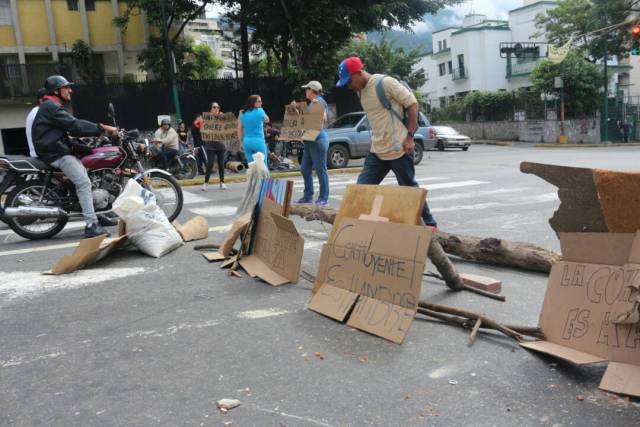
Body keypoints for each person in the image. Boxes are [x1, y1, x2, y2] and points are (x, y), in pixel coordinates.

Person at [336, 56, 437, 227]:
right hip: (377, 152)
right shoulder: (360, 92)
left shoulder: (385, 83)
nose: (349, 86)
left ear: (359, 73)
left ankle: (430, 225)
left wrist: (410, 137)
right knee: (362, 190)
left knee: (409, 191)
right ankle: (355, 228)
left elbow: (412, 104)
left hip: (399, 149)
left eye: (349, 81)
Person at [32, 75, 118, 238]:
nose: (70, 90)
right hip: (55, 152)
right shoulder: (51, 106)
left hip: (53, 149)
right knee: (84, 183)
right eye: (66, 87)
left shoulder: (50, 106)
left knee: (86, 174)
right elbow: (74, 124)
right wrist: (102, 128)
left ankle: (98, 213)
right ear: (56, 91)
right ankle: (91, 225)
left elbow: (69, 128)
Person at [295, 80, 330, 207]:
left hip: (318, 140)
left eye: (307, 89)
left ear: (312, 90)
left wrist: (316, 111)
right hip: (310, 141)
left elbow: (323, 119)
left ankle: (324, 197)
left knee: (321, 170)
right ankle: (308, 196)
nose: (305, 91)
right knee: (305, 169)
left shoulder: (319, 101)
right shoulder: (311, 104)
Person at [237, 94, 269, 165]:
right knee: (263, 166)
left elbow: (239, 129)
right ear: (253, 103)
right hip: (258, 141)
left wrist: (240, 142)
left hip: (247, 142)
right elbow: (267, 120)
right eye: (259, 101)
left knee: (252, 166)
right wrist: (262, 111)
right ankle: (264, 177)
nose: (261, 103)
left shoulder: (242, 112)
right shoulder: (260, 111)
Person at [202, 102, 227, 191]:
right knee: (210, 164)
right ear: (211, 110)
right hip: (210, 145)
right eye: (214, 107)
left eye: (218, 107)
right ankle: (205, 183)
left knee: (221, 164)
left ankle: (222, 182)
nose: (216, 109)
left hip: (221, 145)